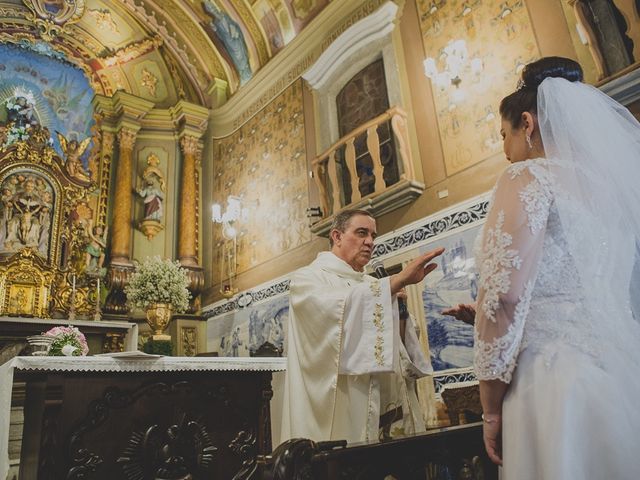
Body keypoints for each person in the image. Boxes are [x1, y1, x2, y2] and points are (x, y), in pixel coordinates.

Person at [471, 57, 640, 479]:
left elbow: (504, 296)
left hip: (556, 379)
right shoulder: (612, 190)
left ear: (526, 124)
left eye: (504, 136)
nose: (504, 149)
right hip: (625, 372)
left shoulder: (525, 176)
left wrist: (490, 408)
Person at [281, 209, 444, 444]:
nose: (369, 241)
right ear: (336, 236)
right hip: (347, 407)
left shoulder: (372, 283)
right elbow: (334, 314)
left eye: (373, 236)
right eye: (361, 233)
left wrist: (400, 311)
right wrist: (394, 282)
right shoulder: (308, 278)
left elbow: (398, 344)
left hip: (392, 406)